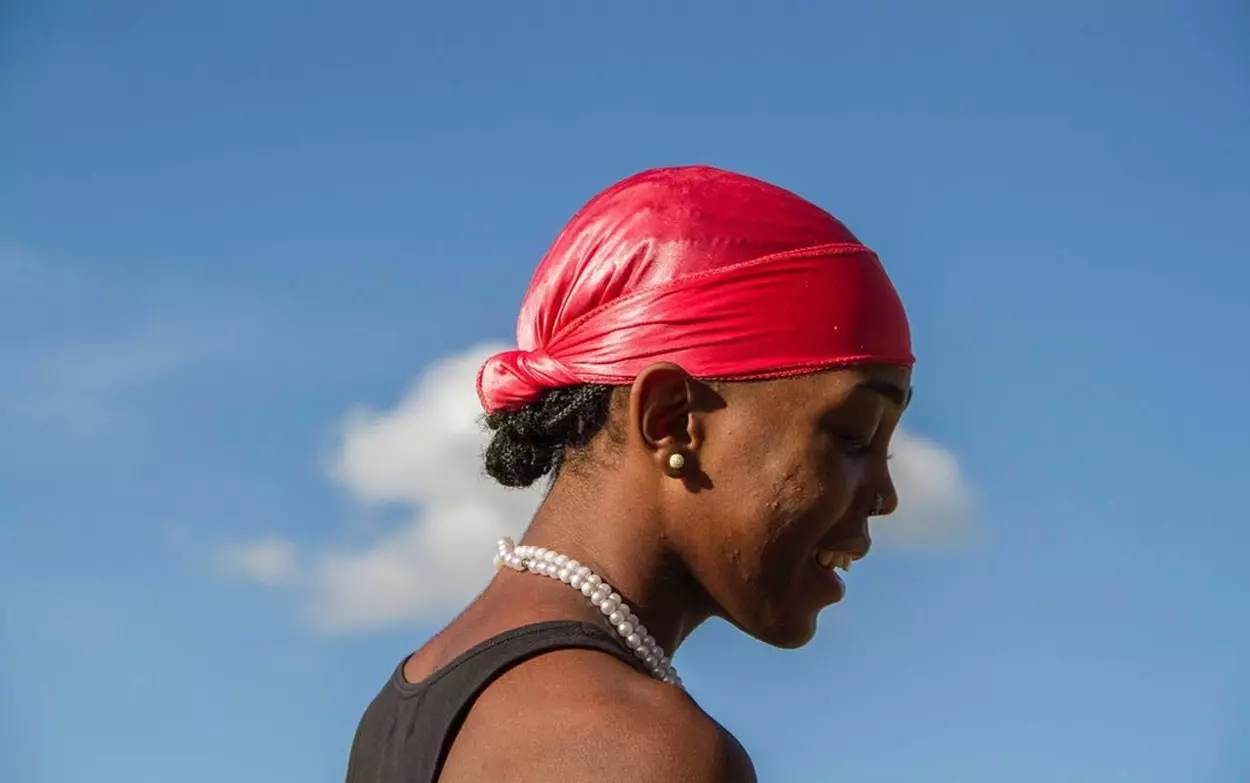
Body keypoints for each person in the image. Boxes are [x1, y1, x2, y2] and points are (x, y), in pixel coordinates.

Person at [345, 165, 914, 782]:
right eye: (853, 435)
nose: (886, 495)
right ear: (671, 419)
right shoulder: (645, 751)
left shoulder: (413, 700)